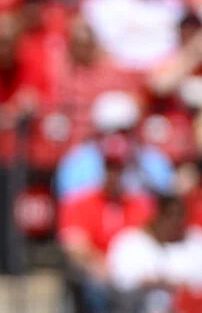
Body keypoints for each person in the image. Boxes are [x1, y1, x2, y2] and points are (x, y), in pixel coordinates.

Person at [59, 134, 156, 313]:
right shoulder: (80, 202)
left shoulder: (141, 205)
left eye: (119, 168)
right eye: (110, 167)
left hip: (133, 278)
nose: (114, 174)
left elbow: (149, 244)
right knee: (97, 290)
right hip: (97, 276)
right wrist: (104, 269)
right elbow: (74, 246)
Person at [108, 194, 202, 313]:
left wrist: (180, 286)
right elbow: (118, 280)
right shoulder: (130, 242)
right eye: (169, 215)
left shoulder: (197, 241)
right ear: (156, 215)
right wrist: (154, 283)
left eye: (180, 216)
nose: (175, 222)